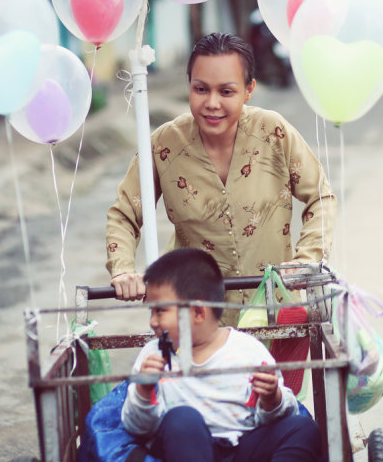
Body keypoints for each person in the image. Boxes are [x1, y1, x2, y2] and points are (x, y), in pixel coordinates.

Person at [121, 248, 322, 462]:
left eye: (160, 311)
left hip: (242, 449)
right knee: (182, 419)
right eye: (151, 312)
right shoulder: (153, 356)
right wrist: (144, 391)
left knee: (302, 426)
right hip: (187, 457)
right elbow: (136, 427)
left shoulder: (246, 350)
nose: (152, 322)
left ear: (198, 313)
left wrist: (272, 399)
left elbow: (274, 416)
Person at [106, 32, 336, 306]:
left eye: (226, 91)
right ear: (189, 86)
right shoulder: (163, 144)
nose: (212, 103)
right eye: (201, 89)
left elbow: (320, 197)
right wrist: (123, 269)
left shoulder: (273, 132)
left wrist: (306, 260)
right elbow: (124, 214)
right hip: (196, 312)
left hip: (274, 308)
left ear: (249, 90)